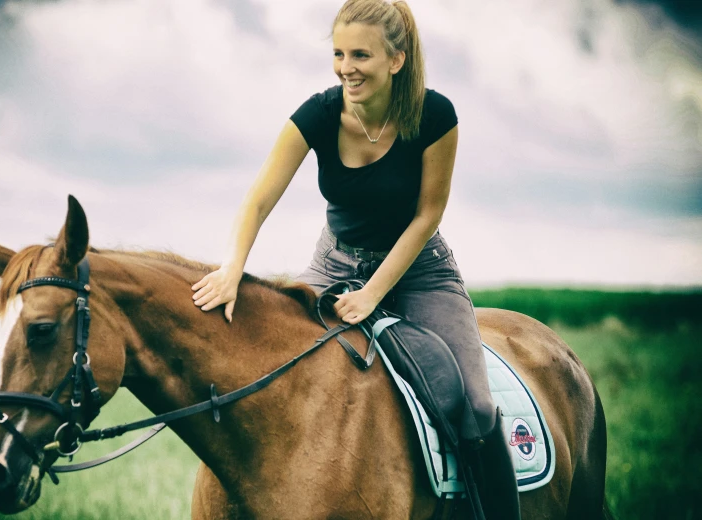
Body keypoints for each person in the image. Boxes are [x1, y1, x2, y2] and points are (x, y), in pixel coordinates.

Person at [190, 1, 520, 518]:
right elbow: (256, 201)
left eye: (360, 55)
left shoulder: (435, 116)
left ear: (396, 60)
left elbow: (427, 215)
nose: (346, 67)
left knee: (475, 407)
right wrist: (233, 268)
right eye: (340, 53)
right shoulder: (319, 115)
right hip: (334, 263)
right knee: (276, 368)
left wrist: (372, 295)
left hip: (418, 269)